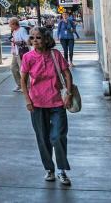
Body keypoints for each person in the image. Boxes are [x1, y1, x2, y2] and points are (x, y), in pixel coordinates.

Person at [21, 26, 74, 186]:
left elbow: (67, 74)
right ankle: (49, 169)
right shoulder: (28, 57)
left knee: (58, 136)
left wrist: (68, 94)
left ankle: (61, 171)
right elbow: (23, 80)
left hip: (57, 101)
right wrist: (27, 99)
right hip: (37, 102)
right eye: (32, 38)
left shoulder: (55, 54)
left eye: (38, 37)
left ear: (45, 39)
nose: (34, 41)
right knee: (42, 138)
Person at [9, 18, 30, 92]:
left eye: (10, 25)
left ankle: (27, 86)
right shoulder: (14, 31)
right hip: (15, 53)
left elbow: (28, 41)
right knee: (13, 68)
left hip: (21, 53)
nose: (10, 26)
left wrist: (20, 42)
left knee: (23, 70)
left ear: (14, 24)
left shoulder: (22, 30)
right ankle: (20, 85)